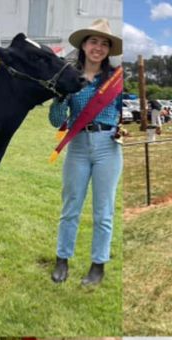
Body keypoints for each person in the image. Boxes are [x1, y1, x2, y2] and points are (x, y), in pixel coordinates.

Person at [47, 18, 123, 288]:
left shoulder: (117, 80)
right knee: (71, 206)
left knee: (104, 211)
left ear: (109, 50)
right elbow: (57, 120)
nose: (98, 47)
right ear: (83, 45)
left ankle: (97, 265)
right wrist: (59, 96)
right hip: (78, 146)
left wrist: (124, 127)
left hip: (108, 147)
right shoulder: (70, 76)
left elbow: (129, 114)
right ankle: (62, 260)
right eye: (94, 41)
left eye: (104, 44)